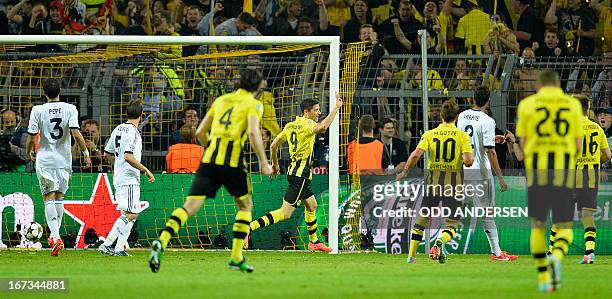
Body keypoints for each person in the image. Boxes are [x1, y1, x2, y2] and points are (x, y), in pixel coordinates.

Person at [149, 69, 273, 273]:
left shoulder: (221, 100)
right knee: (245, 206)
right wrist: (263, 162)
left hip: (209, 160)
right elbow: (252, 132)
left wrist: (213, 152)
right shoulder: (254, 104)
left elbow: (200, 132)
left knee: (190, 206)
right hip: (232, 162)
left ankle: (162, 241)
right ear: (257, 87)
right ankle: (235, 256)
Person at [516, 70, 583, 292]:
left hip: (538, 171)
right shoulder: (573, 106)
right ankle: (557, 256)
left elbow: (524, 146)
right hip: (563, 170)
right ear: (558, 85)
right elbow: (577, 146)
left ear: (538, 86)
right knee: (564, 225)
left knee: (537, 226)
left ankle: (544, 277)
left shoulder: (526, 105)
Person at [249, 94, 343, 252]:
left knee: (312, 206)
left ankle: (314, 242)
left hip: (295, 172)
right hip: (301, 175)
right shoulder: (307, 125)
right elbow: (323, 127)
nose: (318, 113)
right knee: (285, 213)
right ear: (306, 112)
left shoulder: (290, 125)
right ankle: (248, 228)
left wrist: (275, 164)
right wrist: (336, 108)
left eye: (319, 110)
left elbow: (273, 146)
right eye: (316, 110)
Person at [397, 100, 473, 264]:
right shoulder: (462, 136)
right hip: (454, 185)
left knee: (422, 218)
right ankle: (441, 241)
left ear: (441, 116)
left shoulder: (430, 134)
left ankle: (411, 256)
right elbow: (468, 161)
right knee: (452, 223)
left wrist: (405, 171)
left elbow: (416, 154)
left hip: (432, 184)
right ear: (457, 117)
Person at [25, 78, 92, 256]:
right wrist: (86, 154)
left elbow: (31, 137)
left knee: (48, 197)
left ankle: (55, 237)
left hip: (45, 160)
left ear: (44, 93)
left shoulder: (37, 110)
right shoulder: (70, 108)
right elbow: (76, 133)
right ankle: (56, 237)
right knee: (60, 197)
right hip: (64, 160)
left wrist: (29, 152)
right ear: (60, 91)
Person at [457, 86, 517, 262]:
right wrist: (500, 177)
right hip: (481, 172)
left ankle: (439, 244)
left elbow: (468, 140)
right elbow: (491, 152)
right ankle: (497, 253)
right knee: (487, 212)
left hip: (464, 169)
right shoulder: (488, 120)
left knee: (455, 210)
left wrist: (492, 140)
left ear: (472, 99)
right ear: (488, 101)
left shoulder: (462, 116)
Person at [550, 95, 610, 265]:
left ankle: (552, 251)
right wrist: (594, 162)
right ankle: (589, 253)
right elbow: (607, 155)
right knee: (587, 216)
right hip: (590, 177)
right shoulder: (597, 128)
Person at [99, 99, 155, 256]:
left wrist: (117, 167)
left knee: (129, 214)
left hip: (120, 176)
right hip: (129, 178)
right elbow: (128, 157)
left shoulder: (118, 129)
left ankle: (119, 248)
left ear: (126, 113)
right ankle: (107, 243)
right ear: (142, 114)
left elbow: (107, 154)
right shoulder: (133, 132)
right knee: (132, 214)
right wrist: (146, 170)